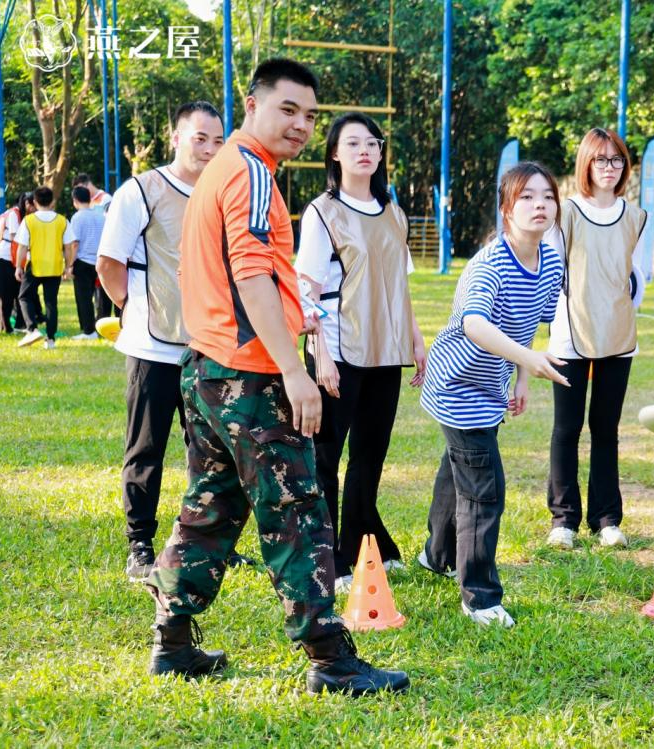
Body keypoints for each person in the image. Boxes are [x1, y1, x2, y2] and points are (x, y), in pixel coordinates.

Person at [144, 59, 408, 695]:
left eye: (310, 115)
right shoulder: (252, 172)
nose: (301, 125)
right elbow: (250, 274)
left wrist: (294, 324)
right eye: (288, 109)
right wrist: (293, 370)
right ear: (252, 104)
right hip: (249, 377)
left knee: (210, 508)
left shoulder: (224, 168)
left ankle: (171, 642)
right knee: (298, 510)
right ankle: (330, 658)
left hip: (208, 369)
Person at [97, 100, 255, 582]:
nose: (208, 148)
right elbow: (108, 262)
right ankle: (140, 545)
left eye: (217, 140)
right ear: (176, 138)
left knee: (211, 452)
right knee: (145, 449)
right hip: (152, 347)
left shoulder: (223, 192)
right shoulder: (141, 190)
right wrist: (134, 307)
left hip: (210, 346)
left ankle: (207, 541)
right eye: (199, 138)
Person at [418, 161, 567, 628]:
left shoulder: (550, 262)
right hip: (456, 385)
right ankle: (479, 598)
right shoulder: (489, 264)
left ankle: (436, 555)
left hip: (491, 385)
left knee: (460, 469)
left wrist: (521, 377)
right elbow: (475, 324)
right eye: (527, 197)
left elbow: (532, 322)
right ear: (506, 209)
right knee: (484, 490)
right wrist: (527, 361)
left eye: (548, 196)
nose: (540, 205)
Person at [296, 113, 427, 591]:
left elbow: (400, 285)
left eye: (372, 142)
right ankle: (328, 557)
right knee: (325, 460)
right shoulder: (322, 212)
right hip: (338, 351)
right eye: (353, 143)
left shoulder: (394, 212)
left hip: (385, 353)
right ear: (335, 153)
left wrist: (416, 339)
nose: (364, 150)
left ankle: (361, 546)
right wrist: (321, 355)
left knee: (370, 458)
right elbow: (307, 292)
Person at [544, 128, 646, 549]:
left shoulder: (635, 216)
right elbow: (552, 272)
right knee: (567, 427)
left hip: (618, 338)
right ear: (586, 164)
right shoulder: (565, 213)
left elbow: (638, 278)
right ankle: (563, 519)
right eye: (601, 159)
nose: (609, 167)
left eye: (616, 159)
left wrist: (613, 311)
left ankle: (607, 518)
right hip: (570, 335)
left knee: (606, 428)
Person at [14, 186, 76, 349]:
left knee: (24, 297)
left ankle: (32, 329)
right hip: (55, 266)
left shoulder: (29, 221)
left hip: (34, 265)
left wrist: (18, 266)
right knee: (51, 303)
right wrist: (68, 266)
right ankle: (50, 339)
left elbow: (22, 246)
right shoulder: (62, 221)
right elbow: (69, 247)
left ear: (35, 201)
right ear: (52, 201)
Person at [0, 193, 34, 333]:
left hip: (12, 258)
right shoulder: (14, 214)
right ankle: (2, 325)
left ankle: (15, 324)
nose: (35, 209)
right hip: (3, 257)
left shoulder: (20, 215)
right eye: (34, 206)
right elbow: (15, 238)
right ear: (27, 204)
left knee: (14, 292)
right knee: (2, 293)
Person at [69, 186, 106, 339]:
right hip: (98, 261)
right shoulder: (101, 216)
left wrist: (70, 264)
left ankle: (88, 331)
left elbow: (75, 243)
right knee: (98, 297)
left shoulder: (77, 217)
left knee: (83, 298)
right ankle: (95, 327)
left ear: (75, 200)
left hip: (82, 261)